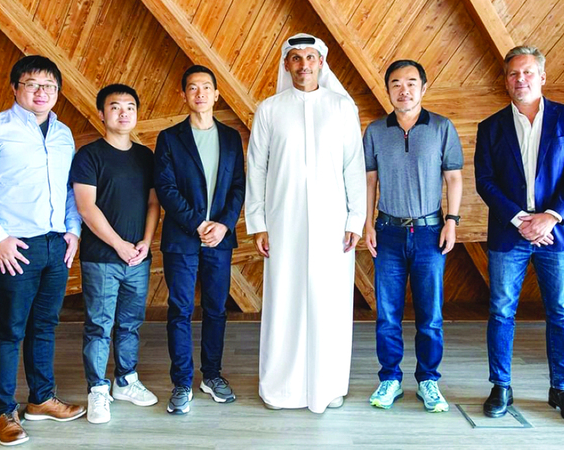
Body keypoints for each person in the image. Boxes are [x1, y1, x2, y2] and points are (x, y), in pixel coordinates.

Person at [0, 55, 86, 446]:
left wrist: (73, 231)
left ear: (57, 92)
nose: (41, 92)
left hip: (55, 244)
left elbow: (69, 189)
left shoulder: (63, 133)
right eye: (32, 84)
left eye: (49, 86)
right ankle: (3, 412)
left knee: (45, 326)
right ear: (15, 88)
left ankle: (42, 399)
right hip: (13, 246)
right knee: (8, 331)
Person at [244, 33, 367, 414]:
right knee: (284, 301)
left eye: (310, 57)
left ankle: (328, 386)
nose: (303, 65)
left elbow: (354, 165)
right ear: (286, 64)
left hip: (334, 225)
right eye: (296, 58)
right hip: (283, 222)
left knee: (330, 303)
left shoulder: (342, 107)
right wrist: (258, 222)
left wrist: (356, 218)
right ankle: (281, 389)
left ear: (321, 63)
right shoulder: (269, 109)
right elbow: (256, 167)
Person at [474, 45, 564, 425]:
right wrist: (522, 220)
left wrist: (549, 218)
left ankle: (561, 389)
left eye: (527, 73)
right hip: (509, 234)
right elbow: (485, 182)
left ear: (542, 76)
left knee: (561, 313)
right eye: (513, 74)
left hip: (557, 234)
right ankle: (501, 386)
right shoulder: (490, 127)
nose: (520, 79)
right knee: (501, 311)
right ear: (505, 80)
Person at [363, 60, 463, 412]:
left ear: (423, 87)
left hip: (430, 232)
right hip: (387, 231)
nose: (403, 90)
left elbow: (453, 177)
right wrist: (368, 223)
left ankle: (428, 380)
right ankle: (390, 379)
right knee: (387, 314)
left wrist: (452, 221)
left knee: (430, 315)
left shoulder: (442, 127)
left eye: (410, 82)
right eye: (395, 83)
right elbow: (370, 181)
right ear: (388, 90)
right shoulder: (375, 130)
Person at [154, 65, 246, 415]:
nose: (200, 93)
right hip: (182, 239)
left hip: (219, 240)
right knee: (179, 309)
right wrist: (198, 223)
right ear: (183, 95)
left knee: (216, 309)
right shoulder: (169, 138)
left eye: (206, 87)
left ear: (216, 94)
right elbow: (165, 188)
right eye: (193, 87)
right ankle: (181, 382)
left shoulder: (231, 137)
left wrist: (223, 225)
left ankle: (212, 375)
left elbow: (238, 186)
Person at [70, 84, 160, 424]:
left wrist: (146, 242)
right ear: (101, 113)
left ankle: (126, 380)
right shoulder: (89, 155)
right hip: (102, 258)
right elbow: (86, 207)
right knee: (99, 325)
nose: (123, 113)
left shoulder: (146, 156)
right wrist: (119, 244)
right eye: (115, 106)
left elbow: (153, 203)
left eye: (130, 107)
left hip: (138, 258)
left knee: (130, 323)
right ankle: (97, 389)